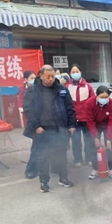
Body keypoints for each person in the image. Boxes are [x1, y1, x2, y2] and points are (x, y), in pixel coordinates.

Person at [23, 65, 76, 193]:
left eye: (53, 76)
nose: (51, 79)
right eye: (48, 77)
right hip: (43, 130)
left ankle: (63, 178)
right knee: (44, 157)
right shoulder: (33, 90)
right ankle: (44, 181)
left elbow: (70, 108)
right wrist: (36, 126)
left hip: (60, 129)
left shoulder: (61, 89)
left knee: (61, 156)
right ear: (40, 75)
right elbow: (28, 110)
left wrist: (71, 124)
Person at [86, 85, 112, 180]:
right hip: (95, 124)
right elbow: (90, 120)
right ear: (97, 96)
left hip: (107, 124)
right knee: (93, 146)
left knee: (110, 145)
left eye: (106, 97)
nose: (104, 99)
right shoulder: (89, 103)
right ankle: (95, 168)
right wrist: (95, 137)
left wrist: (109, 138)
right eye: (102, 97)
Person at [65, 64, 95, 167]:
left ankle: (89, 158)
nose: (75, 74)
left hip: (86, 118)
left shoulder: (88, 86)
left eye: (77, 71)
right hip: (74, 119)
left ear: (81, 72)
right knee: (76, 140)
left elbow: (93, 102)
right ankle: (78, 159)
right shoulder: (67, 87)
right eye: (73, 72)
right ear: (70, 74)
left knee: (89, 140)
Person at [19, 70, 39, 179]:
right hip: (32, 123)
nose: (33, 80)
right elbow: (24, 108)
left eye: (34, 77)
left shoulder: (38, 89)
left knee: (40, 146)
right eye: (31, 78)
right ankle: (30, 170)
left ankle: (40, 168)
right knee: (36, 147)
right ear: (25, 79)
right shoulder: (23, 91)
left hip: (40, 123)